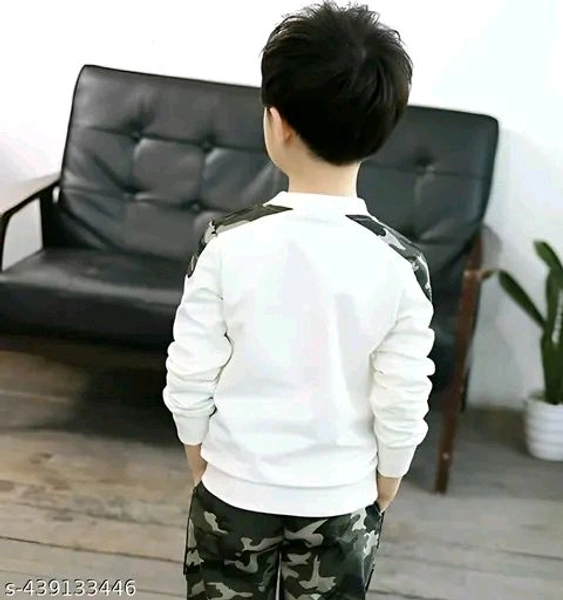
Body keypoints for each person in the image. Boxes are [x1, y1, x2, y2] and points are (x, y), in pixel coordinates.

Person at [163, 2, 435, 598]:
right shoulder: (402, 264)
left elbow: (190, 365)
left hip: (233, 488)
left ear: (277, 123)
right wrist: (391, 473)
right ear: (382, 129)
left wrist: (196, 450)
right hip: (344, 498)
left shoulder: (225, 242)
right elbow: (404, 390)